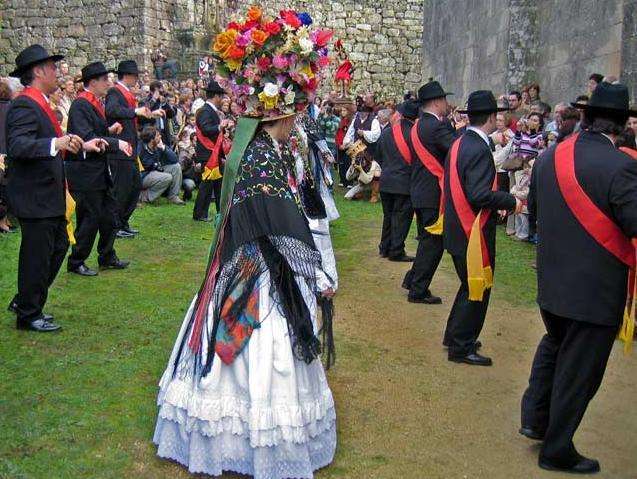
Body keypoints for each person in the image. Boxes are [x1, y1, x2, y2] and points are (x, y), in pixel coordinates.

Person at [154, 10, 336, 476]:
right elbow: (276, 220)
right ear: (285, 112)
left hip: (255, 265)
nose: (299, 120)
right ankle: (249, 438)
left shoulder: (265, 151)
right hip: (255, 272)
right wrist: (314, 273)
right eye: (296, 112)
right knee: (254, 348)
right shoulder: (260, 155)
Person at [520, 82, 637, 474]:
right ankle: (557, 448)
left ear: (585, 116)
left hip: (552, 279)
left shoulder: (552, 154)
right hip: (594, 288)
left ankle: (535, 419)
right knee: (579, 370)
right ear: (621, 125)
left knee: (554, 346)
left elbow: (533, 213)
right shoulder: (621, 166)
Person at [5, 45, 105, 332]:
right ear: (37, 72)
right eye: (52, 67)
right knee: (37, 254)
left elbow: (46, 142)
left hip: (48, 193)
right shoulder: (25, 104)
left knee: (58, 246)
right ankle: (28, 312)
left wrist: (72, 142)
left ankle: (28, 301)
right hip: (35, 195)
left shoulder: (39, 102)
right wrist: (55, 143)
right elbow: (18, 146)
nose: (57, 72)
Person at [442, 90, 520, 365]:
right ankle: (461, 346)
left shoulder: (462, 141)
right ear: (491, 117)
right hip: (471, 230)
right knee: (477, 287)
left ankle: (455, 336)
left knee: (468, 286)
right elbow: (478, 194)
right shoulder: (477, 147)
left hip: (458, 227)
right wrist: (511, 200)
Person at [66, 61, 133, 277]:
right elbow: (86, 138)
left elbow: (96, 132)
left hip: (98, 171)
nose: (108, 83)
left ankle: (106, 255)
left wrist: (109, 129)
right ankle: (76, 260)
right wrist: (116, 143)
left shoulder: (93, 102)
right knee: (89, 218)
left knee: (110, 213)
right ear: (92, 82)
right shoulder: (80, 104)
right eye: (104, 79)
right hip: (85, 173)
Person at [403, 80, 457, 303]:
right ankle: (418, 289)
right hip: (433, 193)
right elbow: (456, 150)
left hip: (420, 191)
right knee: (433, 244)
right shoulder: (436, 126)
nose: (447, 104)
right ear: (436, 102)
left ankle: (412, 278)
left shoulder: (418, 125)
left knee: (427, 240)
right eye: (444, 99)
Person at [105, 60, 153, 238]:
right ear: (128, 76)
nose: (137, 79)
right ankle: (115, 225)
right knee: (122, 189)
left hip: (130, 148)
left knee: (134, 187)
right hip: (120, 149)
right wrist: (135, 112)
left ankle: (123, 221)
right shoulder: (114, 92)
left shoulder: (125, 93)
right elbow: (112, 111)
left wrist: (147, 114)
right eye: (135, 76)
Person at [377, 100, 418, 260]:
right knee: (401, 218)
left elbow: (378, 155)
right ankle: (396, 250)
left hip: (386, 180)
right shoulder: (415, 133)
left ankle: (384, 247)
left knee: (388, 216)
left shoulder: (387, 132)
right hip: (404, 183)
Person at [192, 80, 228, 222]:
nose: (223, 100)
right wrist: (220, 127)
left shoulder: (209, 110)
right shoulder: (205, 111)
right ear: (216, 96)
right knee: (206, 186)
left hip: (213, 153)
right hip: (208, 154)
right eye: (222, 97)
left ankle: (220, 211)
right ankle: (199, 214)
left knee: (217, 185)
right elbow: (206, 130)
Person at [138, 125, 185, 205]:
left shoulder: (159, 145)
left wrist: (163, 148)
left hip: (155, 171)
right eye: (158, 135)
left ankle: (173, 197)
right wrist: (155, 164)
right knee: (167, 177)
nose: (160, 136)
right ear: (151, 139)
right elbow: (144, 165)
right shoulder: (140, 147)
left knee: (176, 167)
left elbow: (174, 159)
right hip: (143, 175)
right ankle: (144, 196)